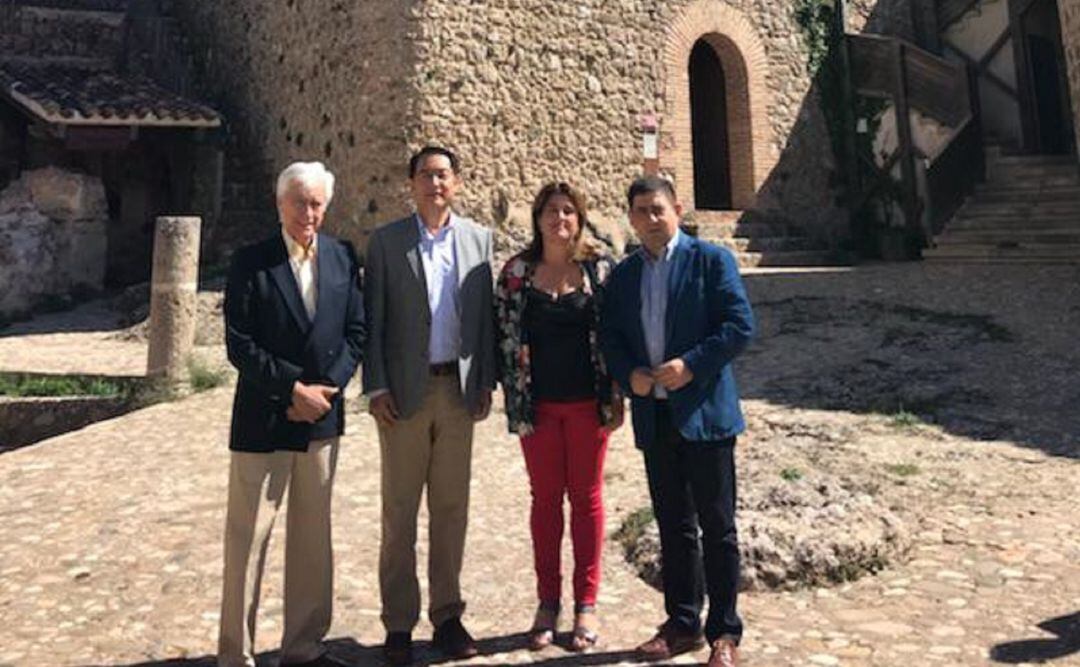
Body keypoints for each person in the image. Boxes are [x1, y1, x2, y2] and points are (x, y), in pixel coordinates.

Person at [599, 176, 754, 667]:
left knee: (718, 527)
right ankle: (682, 622)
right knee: (673, 525)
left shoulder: (712, 261)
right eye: (641, 210)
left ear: (677, 209)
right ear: (631, 217)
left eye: (658, 209)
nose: (650, 218)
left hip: (705, 415)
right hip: (656, 415)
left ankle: (724, 634)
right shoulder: (623, 277)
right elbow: (611, 337)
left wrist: (691, 365)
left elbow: (738, 326)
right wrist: (628, 376)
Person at [218, 161, 365, 667]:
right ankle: (236, 656)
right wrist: (290, 389)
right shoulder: (251, 261)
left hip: (321, 417)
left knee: (312, 540)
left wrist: (327, 390)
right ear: (280, 204)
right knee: (248, 541)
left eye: (317, 203)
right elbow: (239, 344)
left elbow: (356, 332)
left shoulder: (344, 257)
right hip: (264, 418)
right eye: (300, 201)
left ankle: (304, 649)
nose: (309, 212)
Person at [362, 145, 497, 666]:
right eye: (425, 175)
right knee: (399, 512)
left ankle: (448, 616)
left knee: (451, 511)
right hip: (403, 395)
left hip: (458, 395)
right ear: (412, 184)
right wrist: (376, 388)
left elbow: (483, 321)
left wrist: (484, 381)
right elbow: (372, 322)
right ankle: (398, 624)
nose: (434, 183)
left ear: (457, 183)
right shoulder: (387, 243)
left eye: (443, 175)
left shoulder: (479, 241)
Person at [494, 182, 624, 653]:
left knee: (587, 501)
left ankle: (585, 604)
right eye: (552, 210)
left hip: (589, 406)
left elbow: (617, 331)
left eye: (569, 211)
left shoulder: (600, 271)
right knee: (545, 502)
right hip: (539, 407)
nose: (560, 219)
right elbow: (500, 334)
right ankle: (547, 602)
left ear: (580, 218)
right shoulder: (516, 273)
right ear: (537, 218)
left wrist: (619, 394)